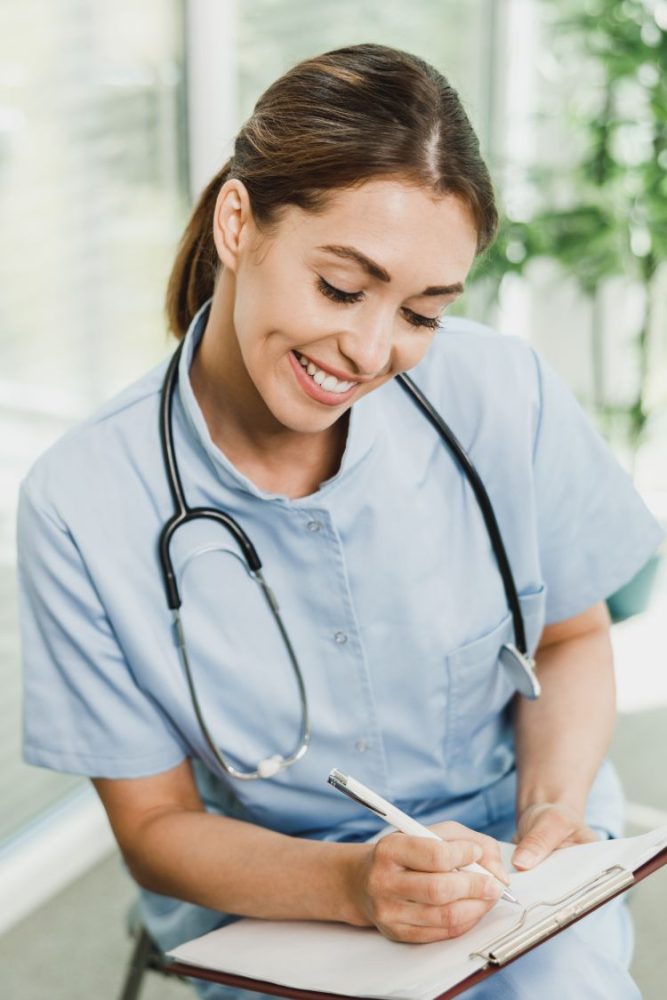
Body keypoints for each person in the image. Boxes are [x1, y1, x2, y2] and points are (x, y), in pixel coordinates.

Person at [18, 43, 662, 999]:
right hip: (272, 892)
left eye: (423, 312)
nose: (368, 349)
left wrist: (550, 815)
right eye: (341, 288)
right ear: (239, 222)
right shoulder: (83, 504)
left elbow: (569, 636)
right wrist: (355, 886)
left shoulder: (500, 394)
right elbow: (155, 829)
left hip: (505, 864)